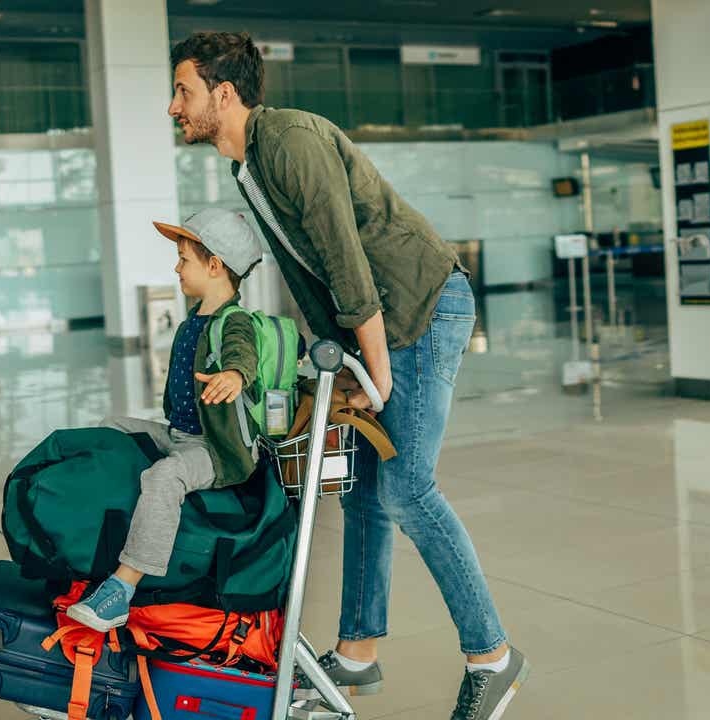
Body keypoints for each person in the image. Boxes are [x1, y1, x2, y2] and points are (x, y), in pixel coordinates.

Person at [166, 31, 528, 720]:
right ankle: (357, 653)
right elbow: (312, 285)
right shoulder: (249, 165)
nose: (174, 106)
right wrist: (341, 364)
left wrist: (378, 370)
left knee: (409, 486)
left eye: (183, 91)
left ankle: (493, 657)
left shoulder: (291, 142)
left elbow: (344, 260)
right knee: (362, 487)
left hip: (419, 309)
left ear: (223, 93)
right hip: (375, 326)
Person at [67, 208, 264, 631]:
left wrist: (234, 375)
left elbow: (242, 354)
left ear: (214, 266)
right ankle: (99, 530)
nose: (176, 267)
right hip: (179, 432)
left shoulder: (236, 321)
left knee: (165, 477)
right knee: (110, 426)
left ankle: (122, 588)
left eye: (184, 259)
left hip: (215, 451)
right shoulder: (195, 319)